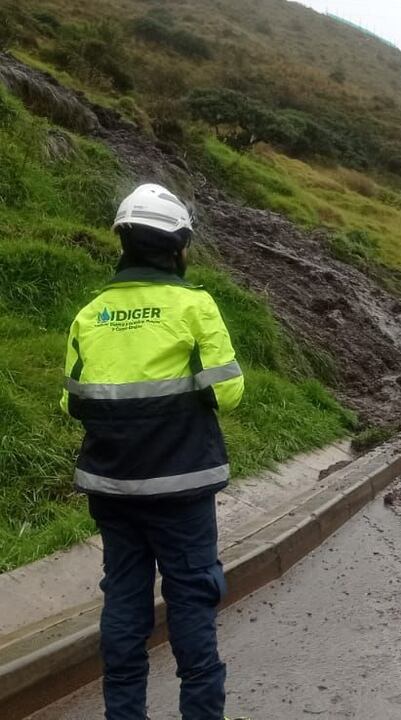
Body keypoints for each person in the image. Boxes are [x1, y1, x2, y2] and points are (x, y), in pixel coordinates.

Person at [61, 184, 244, 720]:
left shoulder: (89, 314)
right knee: (191, 603)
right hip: (181, 490)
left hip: (112, 489)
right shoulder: (194, 305)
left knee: (123, 601)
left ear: (122, 241)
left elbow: (72, 402)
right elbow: (228, 392)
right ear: (179, 246)